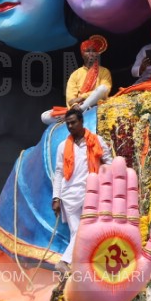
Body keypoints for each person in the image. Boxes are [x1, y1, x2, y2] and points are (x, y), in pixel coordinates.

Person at [51, 107, 113, 260]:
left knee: (84, 231)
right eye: (68, 124)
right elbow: (58, 173)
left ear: (81, 121)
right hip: (69, 196)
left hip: (91, 193)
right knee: (76, 232)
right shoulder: (62, 147)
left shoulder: (96, 141)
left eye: (73, 123)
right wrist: (56, 198)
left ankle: (65, 262)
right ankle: (72, 266)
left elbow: (109, 164)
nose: (70, 126)